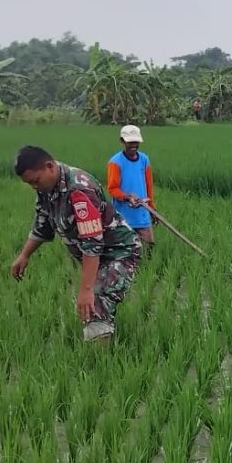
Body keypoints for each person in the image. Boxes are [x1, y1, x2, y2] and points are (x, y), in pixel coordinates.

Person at [10, 146, 142, 343]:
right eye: (29, 184)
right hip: (97, 255)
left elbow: (92, 244)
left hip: (119, 252)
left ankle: (99, 364)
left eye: (35, 181)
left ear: (49, 167)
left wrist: (86, 290)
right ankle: (103, 346)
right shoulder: (47, 188)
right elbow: (43, 224)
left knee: (94, 302)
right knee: (93, 302)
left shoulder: (79, 189)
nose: (34, 187)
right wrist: (24, 255)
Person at [107, 124, 155, 248]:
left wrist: (152, 209)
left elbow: (149, 185)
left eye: (136, 141)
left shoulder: (144, 159)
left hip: (142, 213)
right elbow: (112, 189)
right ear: (122, 141)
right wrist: (127, 197)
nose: (133, 145)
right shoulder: (115, 162)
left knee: (149, 248)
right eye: (130, 142)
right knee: (127, 251)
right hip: (123, 216)